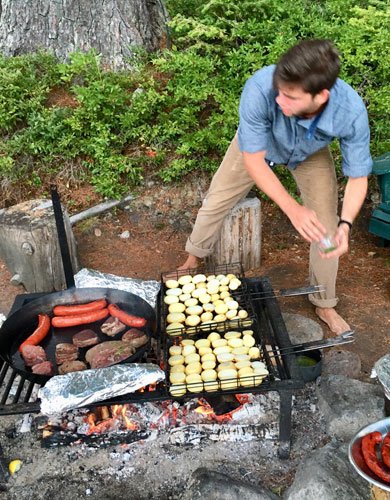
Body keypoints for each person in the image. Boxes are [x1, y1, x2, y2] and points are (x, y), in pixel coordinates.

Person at [178, 39, 372, 335]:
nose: (281, 101)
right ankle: (193, 258)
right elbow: (254, 161)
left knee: (328, 227)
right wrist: (292, 209)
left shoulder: (351, 111)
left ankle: (324, 301)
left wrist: (346, 224)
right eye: (280, 92)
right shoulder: (259, 88)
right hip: (258, 146)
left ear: (321, 96)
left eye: (291, 97)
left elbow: (358, 176)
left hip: (310, 152)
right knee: (217, 199)